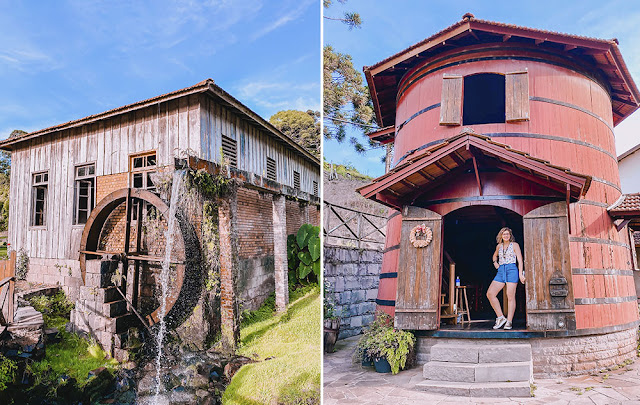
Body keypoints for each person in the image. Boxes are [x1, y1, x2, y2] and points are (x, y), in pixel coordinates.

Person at [486, 227, 525, 330]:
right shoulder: (499, 246)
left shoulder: (515, 245)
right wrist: (495, 263)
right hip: (501, 270)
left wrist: (521, 274)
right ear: (501, 236)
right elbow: (494, 256)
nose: (506, 236)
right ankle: (500, 317)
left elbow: (520, 260)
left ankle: (509, 321)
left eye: (507, 234)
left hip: (512, 269)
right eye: (504, 234)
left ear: (510, 235)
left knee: (510, 296)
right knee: (490, 293)